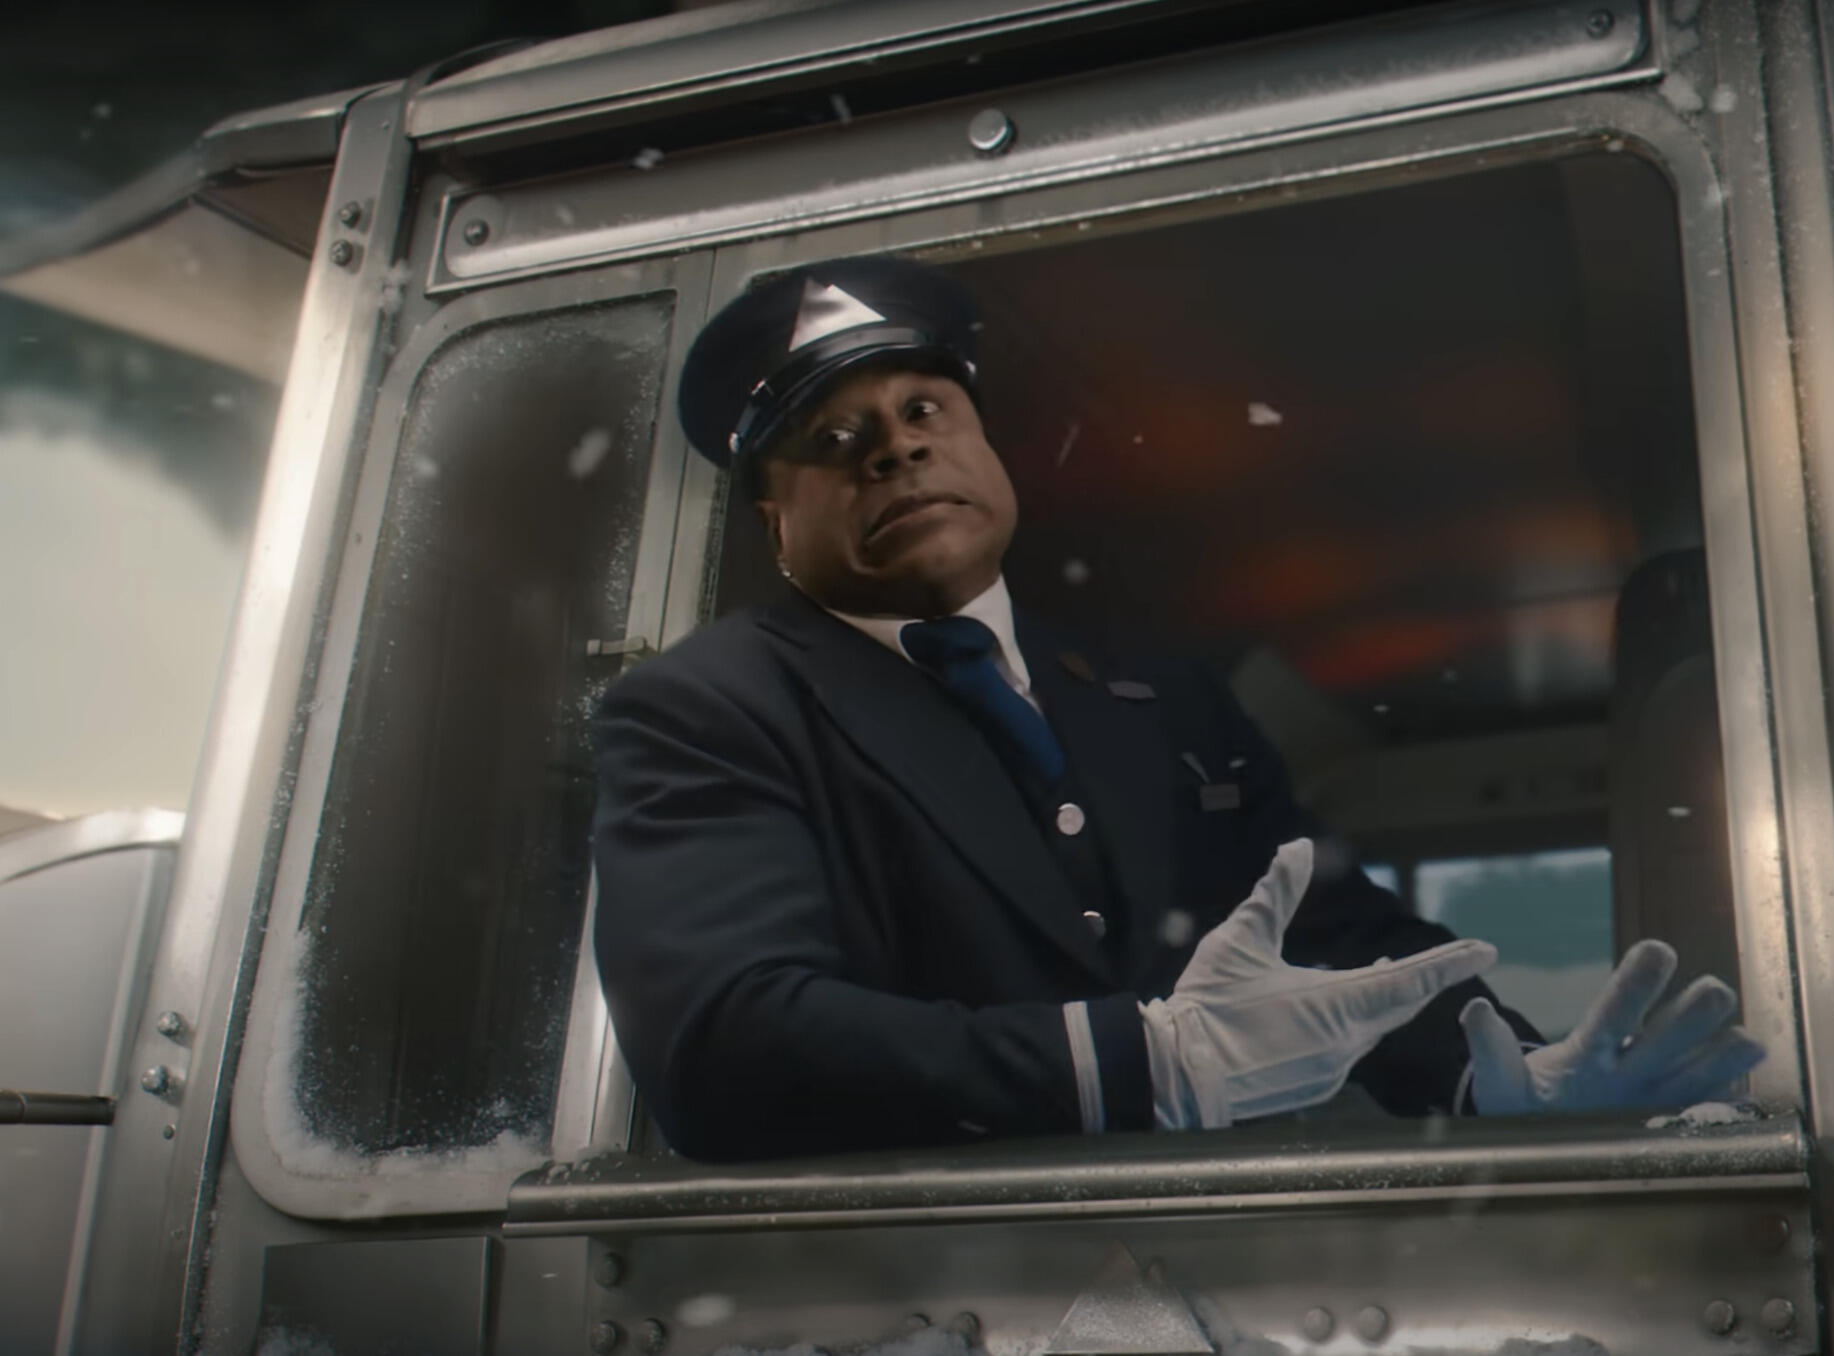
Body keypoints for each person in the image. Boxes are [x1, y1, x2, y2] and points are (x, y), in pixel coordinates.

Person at [590, 256, 1762, 1161]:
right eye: (834, 440)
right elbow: (726, 1049)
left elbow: (1325, 932)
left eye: (925, 412)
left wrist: (1493, 1067)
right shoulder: (709, 707)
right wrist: (1142, 1064)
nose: (895, 451)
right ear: (772, 521)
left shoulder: (1154, 695)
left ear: (985, 445)